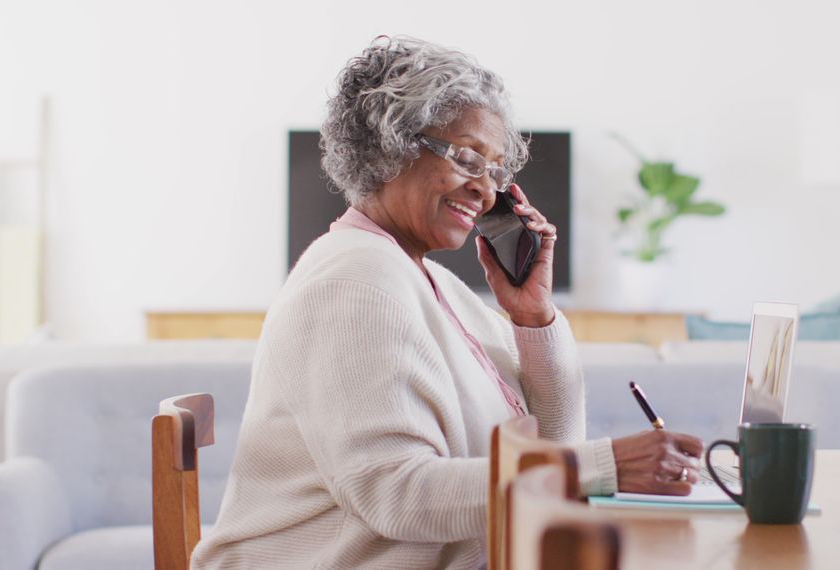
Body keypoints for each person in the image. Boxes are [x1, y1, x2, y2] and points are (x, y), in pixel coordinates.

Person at [192, 36, 703, 569]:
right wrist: (603, 466)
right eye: (466, 158)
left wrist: (533, 318)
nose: (486, 191)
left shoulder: (434, 284)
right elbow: (396, 494)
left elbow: (551, 447)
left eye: (497, 170)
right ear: (390, 146)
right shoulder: (354, 281)